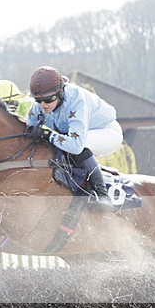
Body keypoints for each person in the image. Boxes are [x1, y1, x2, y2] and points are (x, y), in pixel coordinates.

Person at [25, 66, 123, 206]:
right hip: (75, 135)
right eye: (38, 100)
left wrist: (47, 133)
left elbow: (76, 146)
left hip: (106, 132)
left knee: (78, 146)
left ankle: (102, 195)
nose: (42, 105)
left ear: (60, 93)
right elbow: (28, 130)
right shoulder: (39, 106)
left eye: (48, 100)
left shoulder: (76, 100)